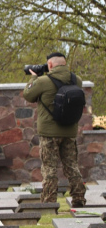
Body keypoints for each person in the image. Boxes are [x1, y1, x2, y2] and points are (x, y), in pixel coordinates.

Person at [23, 52, 86, 206]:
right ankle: (78, 198)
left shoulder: (43, 81)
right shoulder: (76, 80)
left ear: (50, 65)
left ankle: (49, 201)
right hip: (69, 131)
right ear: (65, 64)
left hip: (49, 133)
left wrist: (33, 77)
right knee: (72, 165)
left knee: (49, 167)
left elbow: (28, 95)